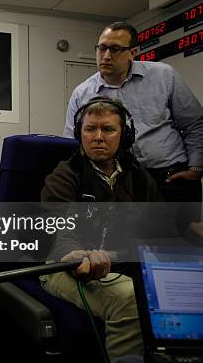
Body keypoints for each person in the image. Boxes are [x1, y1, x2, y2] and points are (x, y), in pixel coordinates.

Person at [41, 96, 164, 360]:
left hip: (124, 265)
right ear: (80, 134)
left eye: (107, 129)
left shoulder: (139, 177)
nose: (98, 137)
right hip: (61, 267)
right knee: (128, 296)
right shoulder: (64, 176)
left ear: (124, 135)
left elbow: (159, 227)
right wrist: (74, 256)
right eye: (90, 129)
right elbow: (59, 231)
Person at [63, 22, 203, 203]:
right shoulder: (82, 93)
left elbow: (195, 123)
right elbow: (71, 143)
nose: (106, 56)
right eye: (102, 48)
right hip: (124, 185)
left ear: (132, 52)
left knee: (186, 231)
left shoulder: (164, 76)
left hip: (173, 178)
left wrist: (196, 167)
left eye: (115, 49)